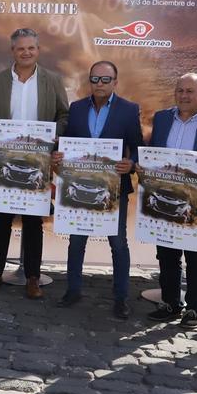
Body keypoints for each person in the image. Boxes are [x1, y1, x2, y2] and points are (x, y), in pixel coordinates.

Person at [0, 27, 70, 300]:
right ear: (13, 51)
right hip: (5, 160)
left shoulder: (52, 81)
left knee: (33, 221)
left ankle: (33, 277)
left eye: (31, 48)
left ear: (38, 50)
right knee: (1, 220)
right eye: (21, 48)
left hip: (38, 162)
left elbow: (64, 114)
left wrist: (56, 134)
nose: (26, 52)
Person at [55, 60, 143, 319]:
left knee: (118, 244)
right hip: (80, 184)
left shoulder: (129, 110)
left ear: (116, 82)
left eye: (105, 79)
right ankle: (73, 290)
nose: (100, 84)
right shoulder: (77, 108)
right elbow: (68, 144)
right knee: (76, 241)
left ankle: (121, 297)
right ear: (89, 81)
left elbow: (137, 145)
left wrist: (132, 163)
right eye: (95, 79)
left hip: (113, 188)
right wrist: (59, 156)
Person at [144, 73, 197, 328]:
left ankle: (194, 307)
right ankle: (170, 303)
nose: (184, 96)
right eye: (180, 90)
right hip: (165, 195)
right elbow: (154, 151)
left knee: (196, 256)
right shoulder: (161, 118)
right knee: (166, 253)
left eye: (190, 91)